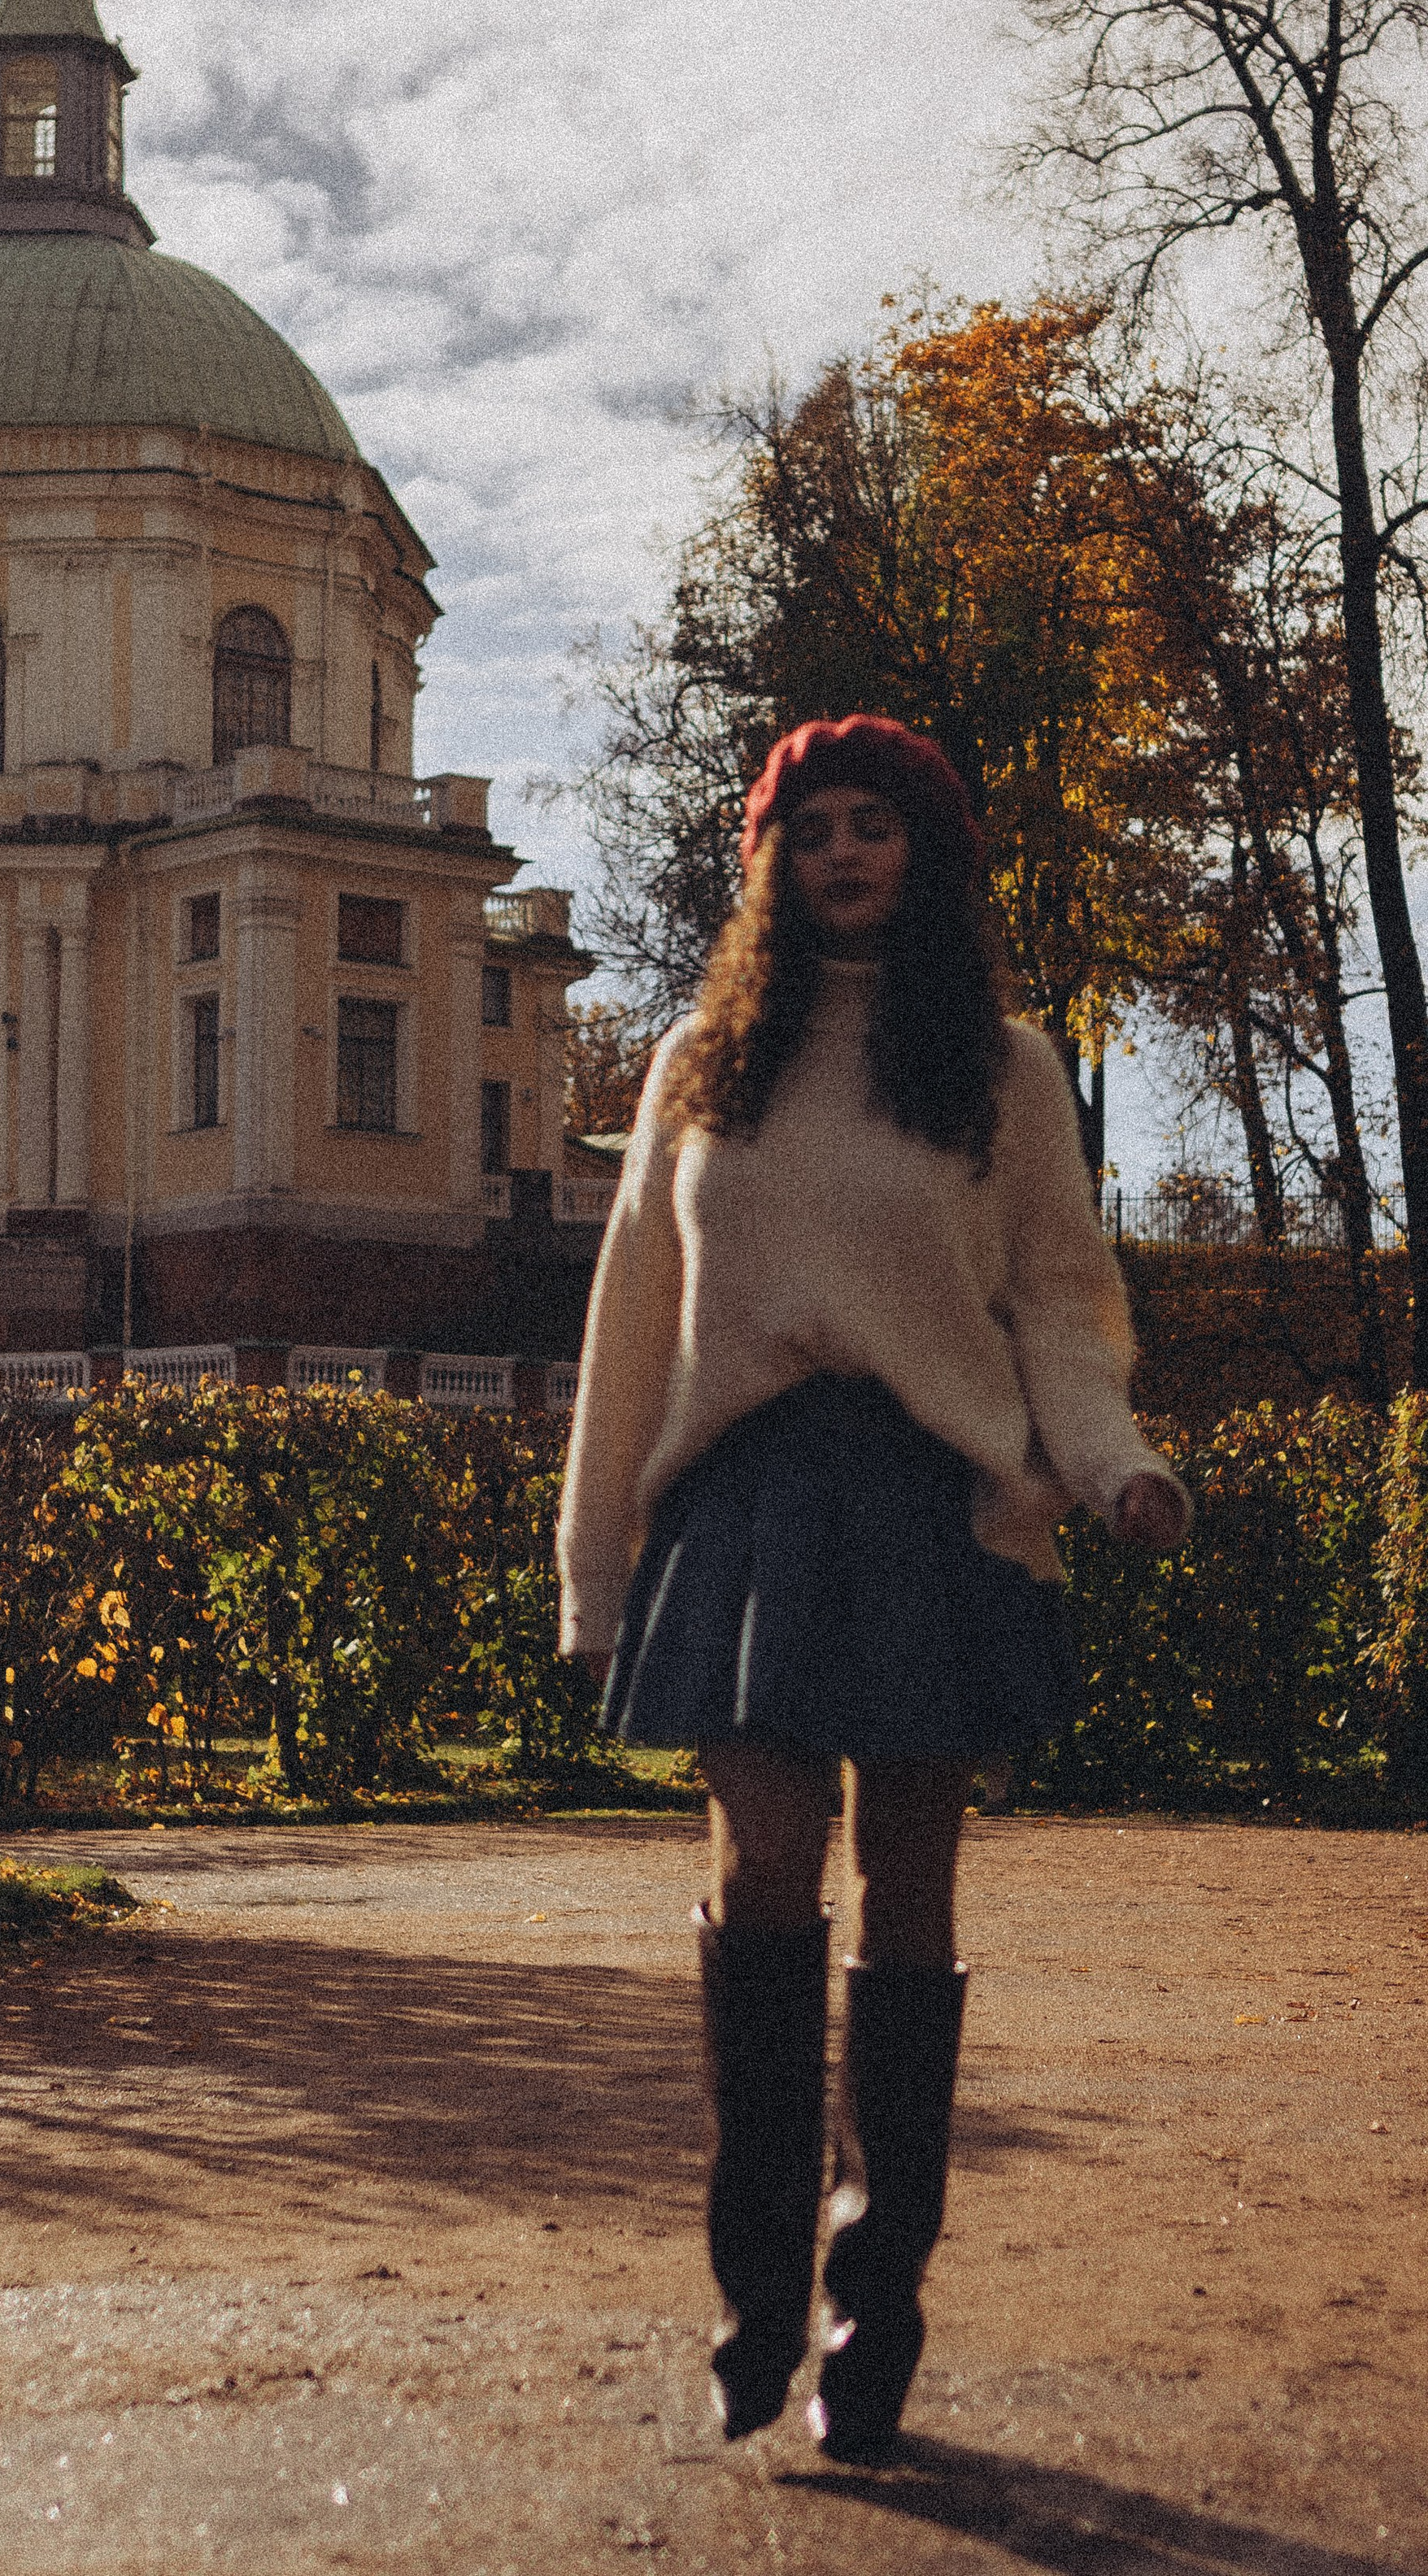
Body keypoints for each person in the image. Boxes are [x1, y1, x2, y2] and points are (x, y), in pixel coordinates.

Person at [556, 714, 1186, 2463]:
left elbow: (1057, 1302)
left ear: (926, 855)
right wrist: (591, 1573)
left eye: (873, 826)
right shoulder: (699, 1060)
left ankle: (872, 2303)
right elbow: (624, 1333)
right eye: (809, 829)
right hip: (742, 1503)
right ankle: (752, 2278)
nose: (841, 854)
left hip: (931, 1507)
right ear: (767, 862)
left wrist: (1111, 1459)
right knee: (759, 1862)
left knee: (910, 1882)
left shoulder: (999, 1069)